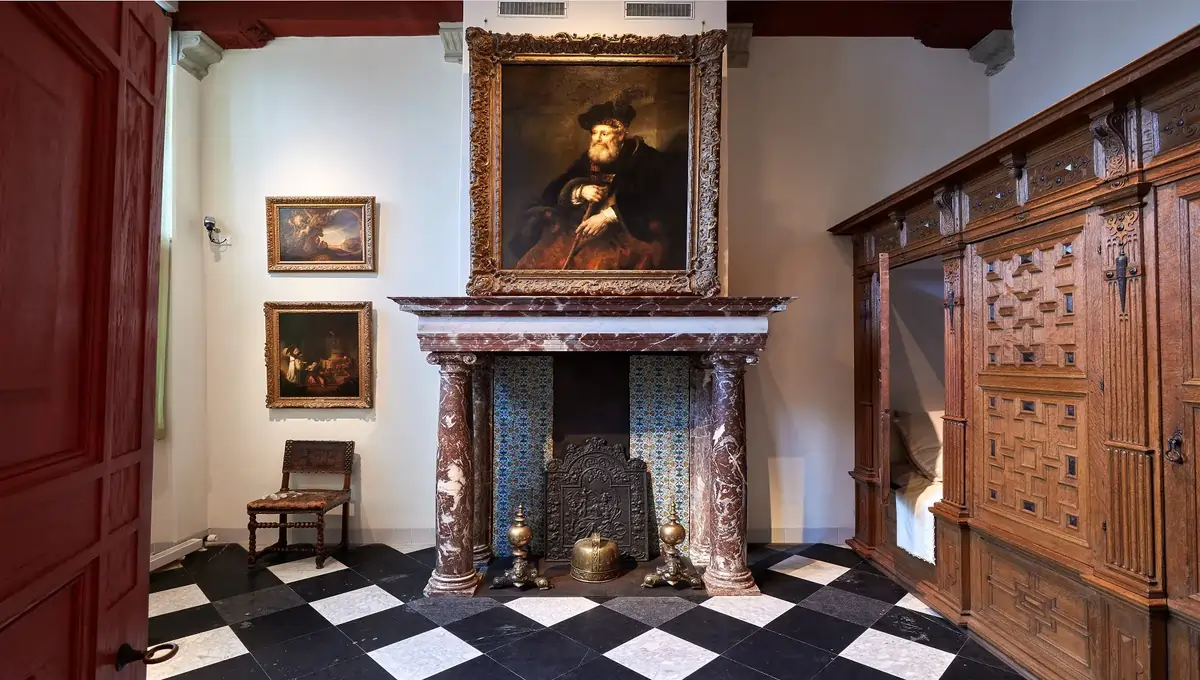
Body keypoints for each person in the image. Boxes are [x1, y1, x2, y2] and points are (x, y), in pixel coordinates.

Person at [512, 92, 686, 270]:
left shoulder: (646, 158)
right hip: (584, 227)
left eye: (604, 133)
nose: (598, 138)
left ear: (620, 135)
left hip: (627, 232)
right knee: (541, 257)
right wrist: (579, 191)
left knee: (596, 265)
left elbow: (655, 200)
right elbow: (554, 188)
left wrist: (607, 216)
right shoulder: (591, 158)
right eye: (595, 133)